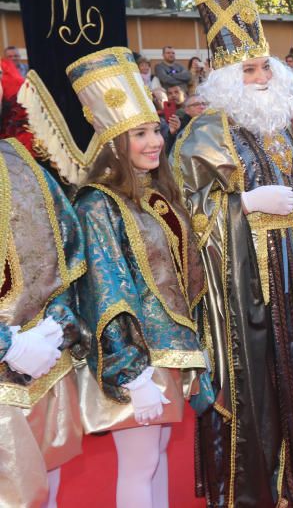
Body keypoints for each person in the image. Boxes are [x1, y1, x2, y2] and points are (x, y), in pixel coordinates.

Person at [175, 0, 293, 505]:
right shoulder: (203, 134)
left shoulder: (282, 128)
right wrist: (242, 205)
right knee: (257, 373)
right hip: (241, 283)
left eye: (265, 67)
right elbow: (180, 214)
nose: (262, 78)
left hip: (290, 265)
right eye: (248, 71)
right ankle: (253, 482)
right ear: (225, 80)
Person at [69, 47, 209, 508]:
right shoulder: (97, 205)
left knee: (156, 455)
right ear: (113, 142)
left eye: (155, 130)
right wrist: (131, 373)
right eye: (139, 134)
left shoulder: (156, 194)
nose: (154, 142)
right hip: (136, 361)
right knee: (138, 462)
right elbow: (105, 291)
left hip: (167, 351)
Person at [0, 136, 86, 508]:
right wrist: (9, 345)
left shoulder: (20, 159)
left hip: (43, 362)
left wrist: (56, 326)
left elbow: (67, 249)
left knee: (43, 486)